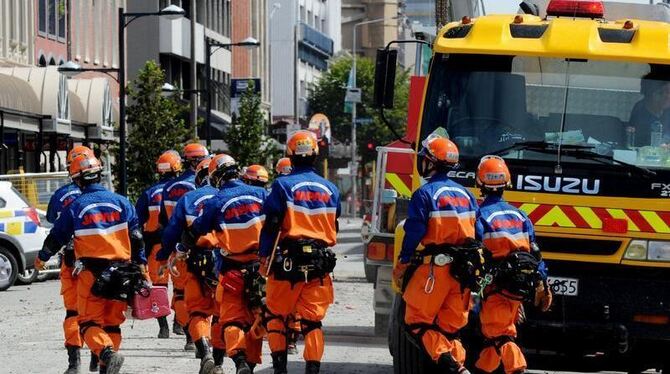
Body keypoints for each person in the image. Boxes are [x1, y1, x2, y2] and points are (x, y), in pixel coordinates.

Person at [36, 154, 147, 374]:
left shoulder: (76, 205)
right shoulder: (122, 202)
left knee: (87, 323)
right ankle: (106, 367)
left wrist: (42, 257)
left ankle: (106, 353)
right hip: (123, 272)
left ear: (77, 179)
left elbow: (57, 236)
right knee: (112, 324)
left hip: (91, 274)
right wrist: (142, 267)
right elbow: (137, 239)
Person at [392, 136, 479, 373]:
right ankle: (459, 366)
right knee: (451, 330)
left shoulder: (425, 193)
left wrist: (404, 260)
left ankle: (453, 368)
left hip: (434, 271)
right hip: (461, 273)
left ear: (431, 162)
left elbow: (414, 231)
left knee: (416, 323)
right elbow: (477, 233)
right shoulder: (467, 196)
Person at [259, 130, 340, 374]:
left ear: (290, 157)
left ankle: (280, 369)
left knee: (276, 316)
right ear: (315, 155)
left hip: (286, 262)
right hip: (319, 264)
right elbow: (334, 224)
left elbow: (272, 224)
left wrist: (264, 256)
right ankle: (312, 370)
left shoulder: (282, 185)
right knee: (312, 321)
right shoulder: (331, 188)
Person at [473, 155, 552, 374]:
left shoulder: (480, 216)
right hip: (520, 286)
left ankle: (517, 367)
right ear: (507, 182)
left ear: (480, 183)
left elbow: (475, 251)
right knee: (495, 334)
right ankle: (482, 370)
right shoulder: (520, 215)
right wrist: (543, 283)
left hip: (495, 286)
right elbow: (535, 252)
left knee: (499, 334)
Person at [190, 154, 267, 374]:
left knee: (232, 320)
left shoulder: (216, 201)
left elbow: (197, 229)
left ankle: (240, 361)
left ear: (216, 177)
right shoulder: (262, 194)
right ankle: (250, 365)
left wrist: (181, 249)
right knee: (256, 319)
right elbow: (277, 223)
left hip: (231, 271)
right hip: (261, 269)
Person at [159, 157, 225, 374]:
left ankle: (204, 351)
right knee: (224, 312)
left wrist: (163, 255)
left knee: (197, 310)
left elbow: (170, 231)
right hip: (226, 261)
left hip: (194, 260)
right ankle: (222, 359)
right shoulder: (227, 197)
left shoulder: (187, 199)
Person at [36, 145, 96, 374]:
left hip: (70, 260)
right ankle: (98, 354)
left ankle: (74, 363)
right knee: (95, 310)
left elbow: (52, 221)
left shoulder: (62, 195)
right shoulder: (102, 195)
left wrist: (43, 257)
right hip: (98, 262)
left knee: (73, 312)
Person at [159, 142, 209, 348]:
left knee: (181, 292)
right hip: (209, 246)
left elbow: (164, 221)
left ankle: (190, 334)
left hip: (179, 248)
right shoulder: (212, 189)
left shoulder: (170, 187)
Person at [135, 150, 182, 339]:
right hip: (178, 246)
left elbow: (137, 221)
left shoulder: (148, 193)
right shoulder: (182, 189)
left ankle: (163, 327)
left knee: (158, 286)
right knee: (182, 287)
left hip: (155, 245)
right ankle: (180, 323)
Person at [273, 157, 301, 354]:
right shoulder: (312, 189)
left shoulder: (278, 188)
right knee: (301, 301)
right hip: (312, 254)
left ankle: (281, 349)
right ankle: (292, 341)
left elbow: (270, 225)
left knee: (281, 302)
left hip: (284, 253)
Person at [629, 73, 670, 147]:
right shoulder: (640, 111)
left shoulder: (667, 111)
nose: (667, 96)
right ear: (650, 93)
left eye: (669, 92)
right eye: (661, 92)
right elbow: (637, 143)